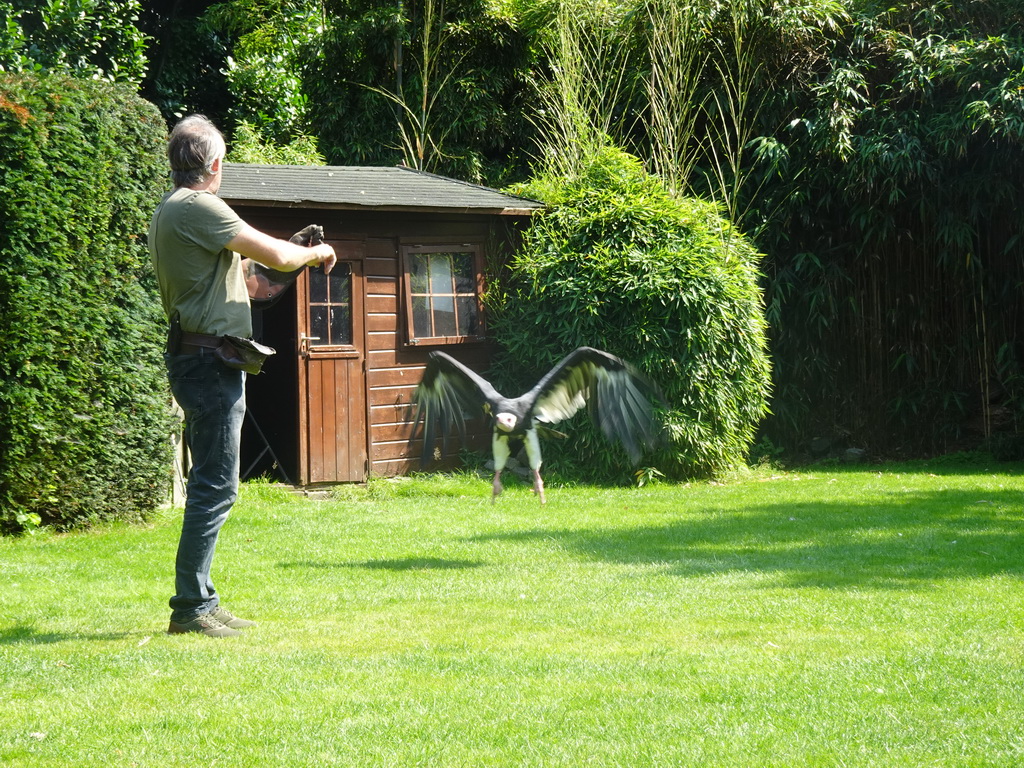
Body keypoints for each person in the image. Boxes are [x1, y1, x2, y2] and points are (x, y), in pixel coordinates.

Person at [149, 114, 337, 637]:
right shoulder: (198, 206)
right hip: (210, 363)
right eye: (223, 160)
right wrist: (314, 252)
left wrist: (288, 257)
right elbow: (273, 254)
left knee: (215, 481)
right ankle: (191, 607)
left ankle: (202, 599)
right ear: (212, 164)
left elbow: (255, 283)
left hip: (204, 358)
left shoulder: (174, 212)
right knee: (215, 484)